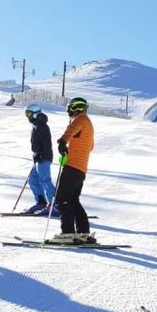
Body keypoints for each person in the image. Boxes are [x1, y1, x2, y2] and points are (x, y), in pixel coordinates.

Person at [49, 97, 96, 244]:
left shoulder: (80, 119)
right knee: (73, 200)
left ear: (75, 108)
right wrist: (70, 150)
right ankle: (83, 232)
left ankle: (68, 233)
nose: (68, 112)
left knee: (61, 199)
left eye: (69, 109)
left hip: (72, 167)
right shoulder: (89, 124)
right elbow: (90, 146)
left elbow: (71, 130)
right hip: (81, 169)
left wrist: (63, 141)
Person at [23, 104, 59, 216]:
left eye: (29, 113)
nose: (27, 116)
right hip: (38, 157)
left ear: (35, 113)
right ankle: (41, 202)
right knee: (33, 179)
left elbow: (47, 144)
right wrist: (36, 154)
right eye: (26, 114)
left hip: (44, 157)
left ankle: (55, 205)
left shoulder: (42, 126)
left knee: (45, 180)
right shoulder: (36, 125)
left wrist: (41, 154)